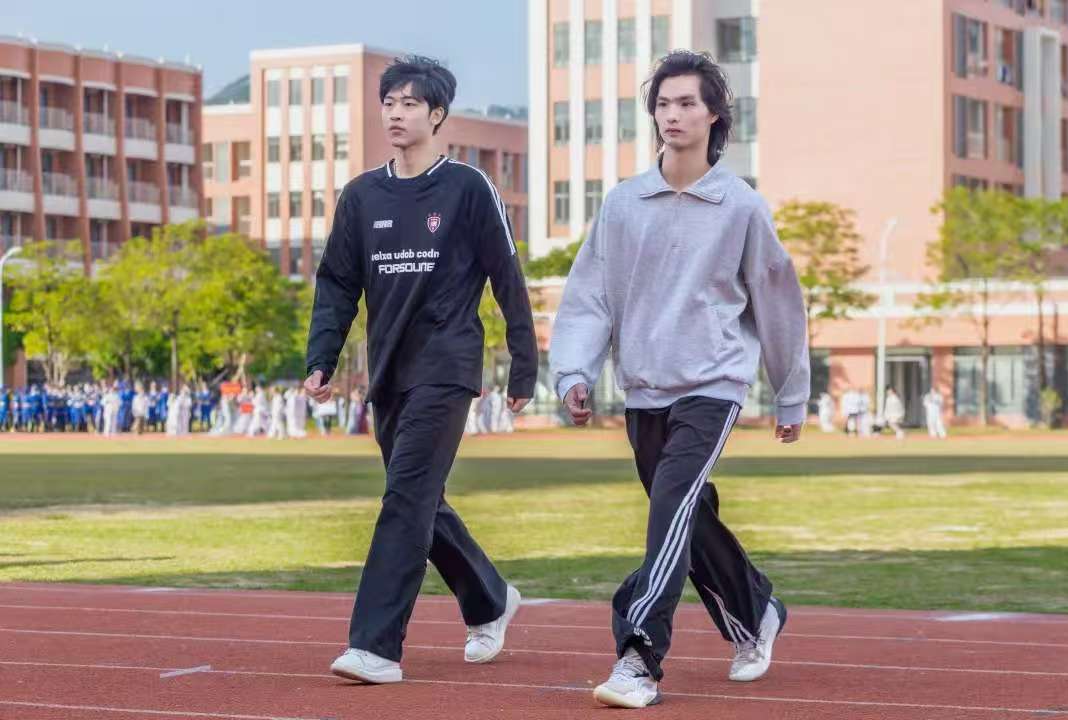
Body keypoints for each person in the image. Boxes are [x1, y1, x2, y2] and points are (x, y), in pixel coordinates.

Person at [549, 51, 809, 708]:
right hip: (644, 389)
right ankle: (755, 610)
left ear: (714, 114)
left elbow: (778, 301)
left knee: (670, 507)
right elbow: (589, 296)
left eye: (687, 102)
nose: (673, 114)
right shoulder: (623, 204)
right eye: (663, 103)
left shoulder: (740, 206)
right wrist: (574, 369)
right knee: (684, 517)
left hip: (713, 385)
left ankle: (638, 655)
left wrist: (791, 393)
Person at [304, 55, 538, 685]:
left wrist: (524, 365)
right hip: (388, 372)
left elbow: (506, 276)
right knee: (420, 502)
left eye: (409, 103)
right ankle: (491, 598)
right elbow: (336, 284)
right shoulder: (361, 196)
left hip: (447, 364)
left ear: (437, 115)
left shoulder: (467, 188)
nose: (396, 114)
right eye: (389, 102)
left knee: (405, 498)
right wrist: (322, 356)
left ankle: (375, 646)